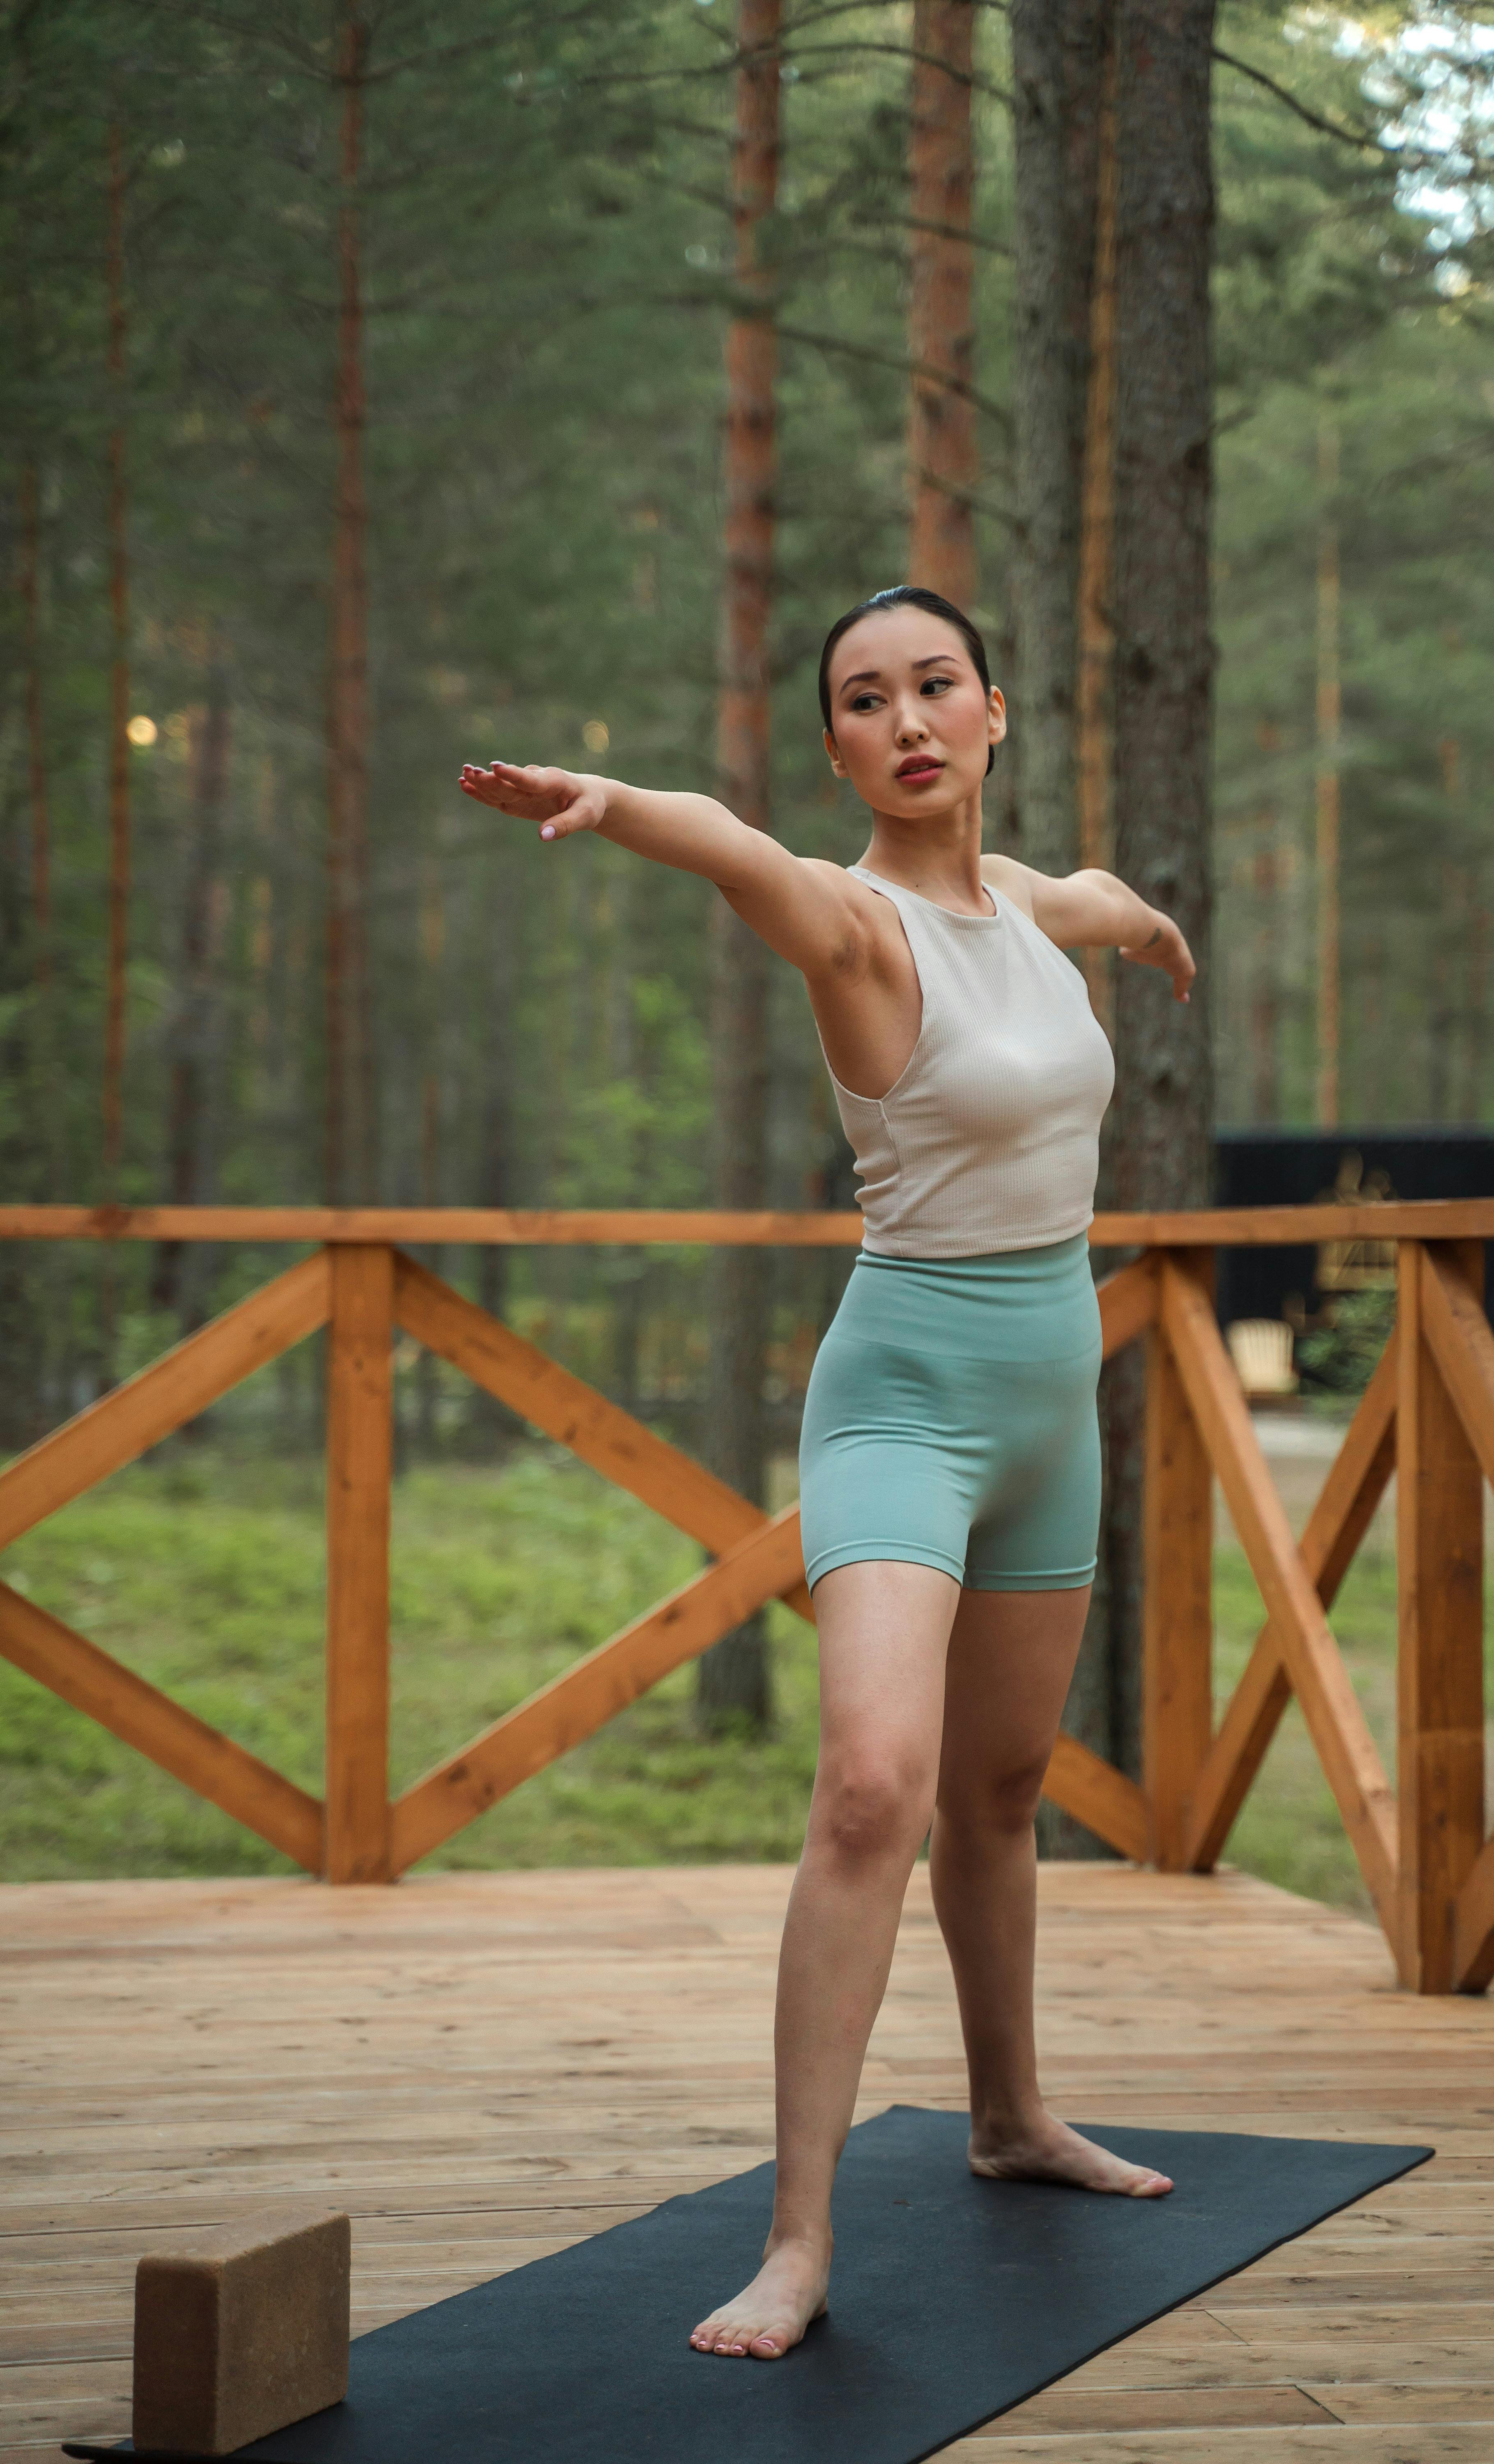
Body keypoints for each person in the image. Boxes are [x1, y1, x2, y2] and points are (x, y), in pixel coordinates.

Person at [458, 584, 1196, 2363]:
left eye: (936, 686)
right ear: (839, 746)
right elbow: (736, 856)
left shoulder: (1014, 900)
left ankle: (1011, 2116)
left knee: (1007, 1794)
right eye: (868, 701)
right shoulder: (858, 929)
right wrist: (617, 803)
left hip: (1048, 1400)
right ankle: (796, 2241)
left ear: (991, 712)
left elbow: (1075, 897)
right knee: (878, 1784)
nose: (909, 719)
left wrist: (1142, 915)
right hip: (906, 1399)